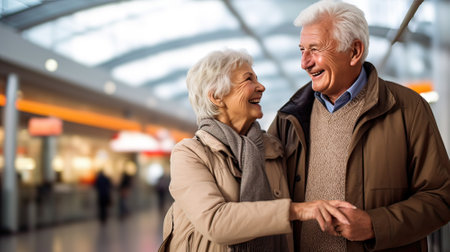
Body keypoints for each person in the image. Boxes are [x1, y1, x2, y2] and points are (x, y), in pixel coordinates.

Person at [268, 1, 450, 251]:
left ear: (354, 51)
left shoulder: (408, 108)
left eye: (314, 49)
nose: (304, 63)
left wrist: (375, 225)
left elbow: (441, 198)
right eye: (302, 50)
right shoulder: (289, 117)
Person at [160, 49, 355, 252]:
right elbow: (216, 222)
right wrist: (298, 210)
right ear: (217, 96)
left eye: (257, 79)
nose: (261, 87)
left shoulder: (273, 149)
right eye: (248, 79)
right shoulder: (190, 153)